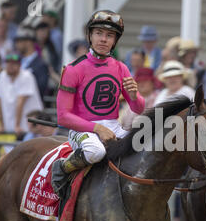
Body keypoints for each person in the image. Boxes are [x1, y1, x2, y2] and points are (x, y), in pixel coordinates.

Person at [51, 10, 145, 199]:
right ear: (90, 36)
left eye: (109, 35)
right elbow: (63, 116)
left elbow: (138, 109)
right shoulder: (73, 69)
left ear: (115, 40)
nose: (103, 39)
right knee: (96, 151)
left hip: (113, 125)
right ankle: (62, 167)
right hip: (81, 129)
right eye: (99, 33)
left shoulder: (121, 67)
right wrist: (97, 128)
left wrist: (134, 96)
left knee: (144, 145)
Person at [0, 53, 43, 141]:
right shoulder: (2, 76)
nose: (10, 66)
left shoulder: (27, 76)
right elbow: (0, 101)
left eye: (14, 63)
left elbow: (20, 102)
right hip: (13, 127)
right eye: (8, 63)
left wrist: (17, 125)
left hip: (28, 127)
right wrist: (2, 125)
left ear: (20, 65)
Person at [14, 25, 50, 101]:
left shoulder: (41, 65)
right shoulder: (17, 62)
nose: (16, 44)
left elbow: (40, 90)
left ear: (28, 42)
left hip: (31, 108)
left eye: (19, 41)